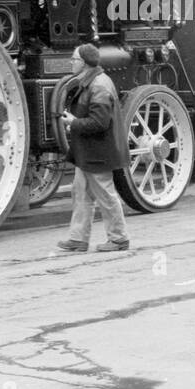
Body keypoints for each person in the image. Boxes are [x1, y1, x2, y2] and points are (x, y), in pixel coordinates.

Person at [56, 43, 129, 253]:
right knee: (81, 193)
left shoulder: (99, 86)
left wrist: (72, 122)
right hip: (89, 152)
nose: (71, 62)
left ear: (85, 63)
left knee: (105, 195)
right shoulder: (94, 81)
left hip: (98, 153)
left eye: (74, 59)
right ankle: (78, 239)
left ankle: (119, 239)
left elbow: (99, 123)